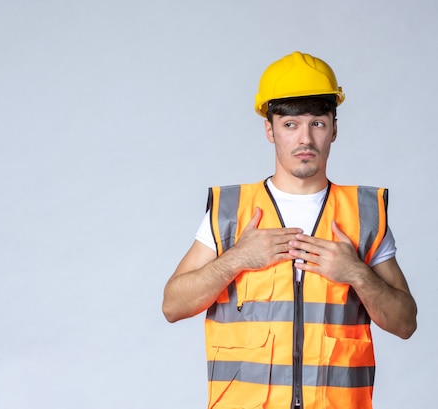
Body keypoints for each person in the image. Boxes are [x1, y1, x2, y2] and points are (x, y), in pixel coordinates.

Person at [162, 51, 417, 409]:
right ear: (270, 129)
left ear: (334, 128)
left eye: (317, 123)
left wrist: (357, 273)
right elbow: (172, 306)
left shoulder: (363, 215)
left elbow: (406, 323)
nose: (305, 140)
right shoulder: (231, 212)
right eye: (290, 124)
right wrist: (236, 259)